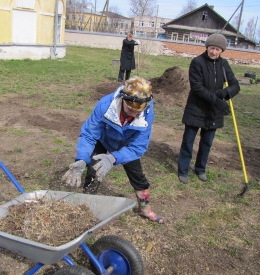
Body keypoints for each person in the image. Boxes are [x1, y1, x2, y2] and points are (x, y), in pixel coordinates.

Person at [62, 76, 164, 224]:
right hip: (104, 138)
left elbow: (138, 147)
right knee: (93, 169)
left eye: (138, 111)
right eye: (130, 109)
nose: (133, 114)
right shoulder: (105, 105)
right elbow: (89, 134)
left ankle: (145, 208)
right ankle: (87, 205)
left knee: (138, 176)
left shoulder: (147, 113)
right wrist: (82, 158)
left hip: (128, 144)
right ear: (123, 98)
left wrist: (113, 158)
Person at [177, 33, 240, 184]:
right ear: (207, 47)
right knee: (188, 141)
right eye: (212, 48)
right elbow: (197, 88)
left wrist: (224, 94)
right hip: (196, 108)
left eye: (218, 49)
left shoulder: (224, 65)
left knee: (207, 143)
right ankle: (183, 170)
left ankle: (200, 169)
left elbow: (235, 85)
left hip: (213, 113)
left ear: (222, 51)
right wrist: (217, 101)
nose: (214, 52)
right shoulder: (197, 62)